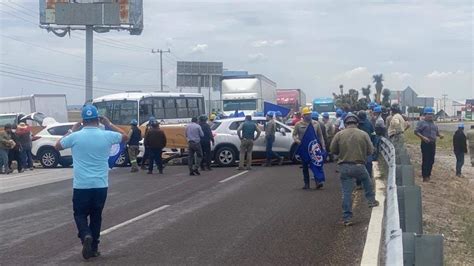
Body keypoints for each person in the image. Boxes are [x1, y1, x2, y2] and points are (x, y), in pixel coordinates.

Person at [55, 105, 128, 259]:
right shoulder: (106, 135)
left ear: (82, 121)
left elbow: (57, 145)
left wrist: (72, 130)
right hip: (101, 185)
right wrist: (109, 124)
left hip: (82, 185)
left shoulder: (75, 136)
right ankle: (93, 247)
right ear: (97, 119)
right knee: (96, 216)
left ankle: (85, 235)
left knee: (80, 214)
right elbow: (125, 136)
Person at [330, 114, 379, 226]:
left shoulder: (339, 134)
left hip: (344, 167)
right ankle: (371, 201)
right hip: (359, 165)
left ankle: (347, 218)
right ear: (357, 123)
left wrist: (342, 153)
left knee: (346, 193)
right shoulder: (363, 134)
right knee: (367, 181)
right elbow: (370, 150)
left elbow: (332, 149)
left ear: (346, 123)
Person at [293, 107, 326, 189]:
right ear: (303, 116)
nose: (309, 115)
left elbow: (320, 136)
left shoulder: (316, 124)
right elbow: (294, 135)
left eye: (310, 114)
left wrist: (323, 146)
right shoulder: (298, 124)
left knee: (316, 164)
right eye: (307, 114)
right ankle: (306, 183)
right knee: (305, 166)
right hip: (304, 148)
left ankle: (318, 182)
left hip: (314, 148)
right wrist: (298, 141)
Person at [414, 107, 443, 182]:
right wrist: (423, 138)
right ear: (425, 115)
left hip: (433, 143)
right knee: (426, 159)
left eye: (432, 114)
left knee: (431, 160)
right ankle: (425, 176)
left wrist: (440, 135)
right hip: (425, 143)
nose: (431, 116)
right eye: (429, 114)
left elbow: (436, 133)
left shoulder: (434, 124)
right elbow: (416, 132)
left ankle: (428, 175)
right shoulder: (421, 123)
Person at [357, 110, 376, 182]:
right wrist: (373, 144)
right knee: (368, 163)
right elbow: (374, 134)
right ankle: (368, 180)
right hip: (368, 146)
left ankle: (359, 182)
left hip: (359, 147)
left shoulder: (357, 124)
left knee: (358, 163)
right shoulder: (369, 123)